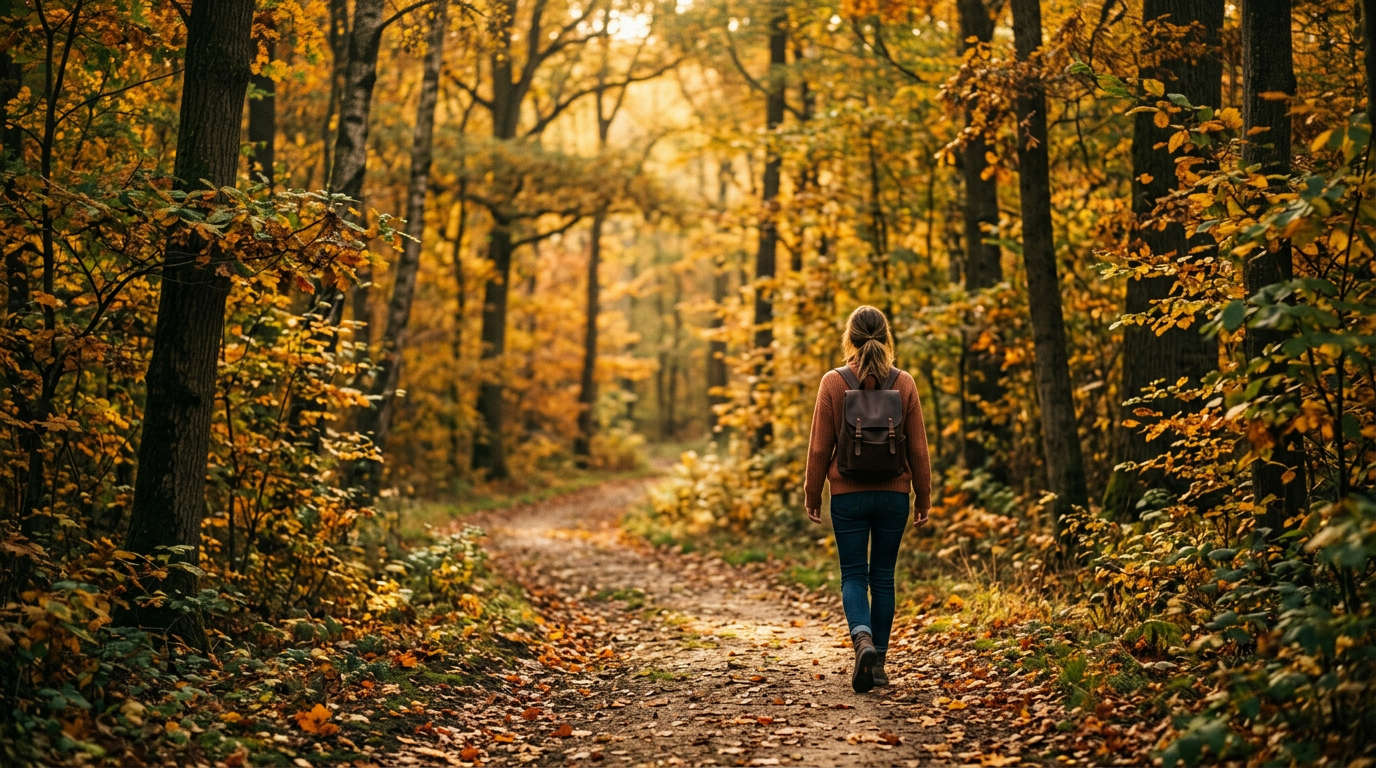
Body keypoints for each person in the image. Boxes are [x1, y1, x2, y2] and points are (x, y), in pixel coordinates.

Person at [804, 305, 932, 693]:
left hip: (848, 495)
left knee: (854, 575)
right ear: (887, 337)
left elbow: (818, 449)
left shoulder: (833, 382)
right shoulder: (903, 382)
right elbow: (919, 450)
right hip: (894, 495)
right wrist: (922, 496)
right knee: (883, 578)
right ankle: (878, 664)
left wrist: (812, 493)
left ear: (850, 338)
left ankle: (862, 641)